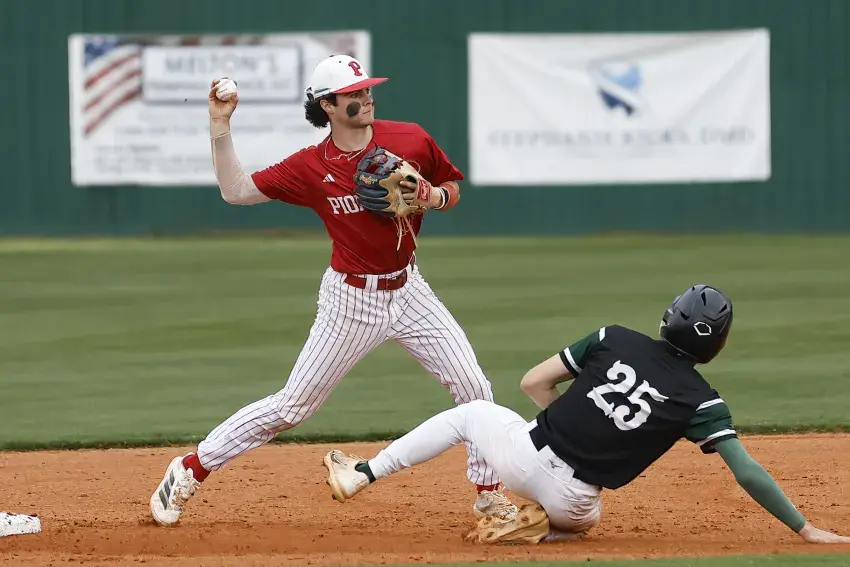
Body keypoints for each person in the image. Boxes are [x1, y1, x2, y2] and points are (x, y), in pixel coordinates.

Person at [149, 54, 518, 526]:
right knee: (291, 408)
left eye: (367, 89)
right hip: (351, 301)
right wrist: (220, 125)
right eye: (353, 93)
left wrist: (434, 196)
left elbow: (451, 185)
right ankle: (190, 468)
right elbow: (236, 190)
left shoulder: (409, 138)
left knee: (475, 388)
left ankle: (489, 496)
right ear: (327, 105)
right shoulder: (311, 166)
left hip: (410, 289)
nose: (366, 97)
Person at [323, 285, 850, 544]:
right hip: (574, 503)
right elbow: (746, 470)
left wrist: (572, 419)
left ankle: (365, 472)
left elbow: (533, 382)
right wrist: (803, 528)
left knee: (472, 412)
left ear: (668, 318)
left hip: (523, 458)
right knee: (588, 522)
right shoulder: (701, 400)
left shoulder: (613, 338)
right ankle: (541, 530)